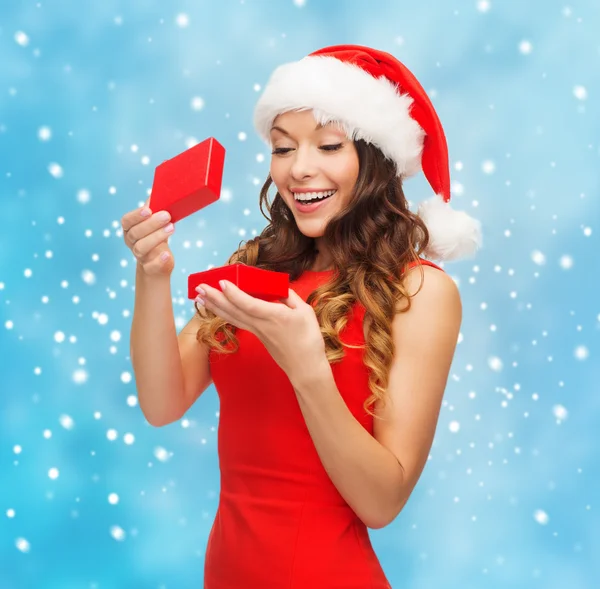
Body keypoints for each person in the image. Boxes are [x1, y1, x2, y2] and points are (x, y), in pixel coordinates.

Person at [124, 44, 482, 588]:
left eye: (329, 145)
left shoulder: (420, 290)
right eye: (283, 147)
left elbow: (381, 502)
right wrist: (152, 275)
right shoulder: (252, 272)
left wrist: (308, 369)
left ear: (375, 158)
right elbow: (161, 402)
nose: (299, 169)